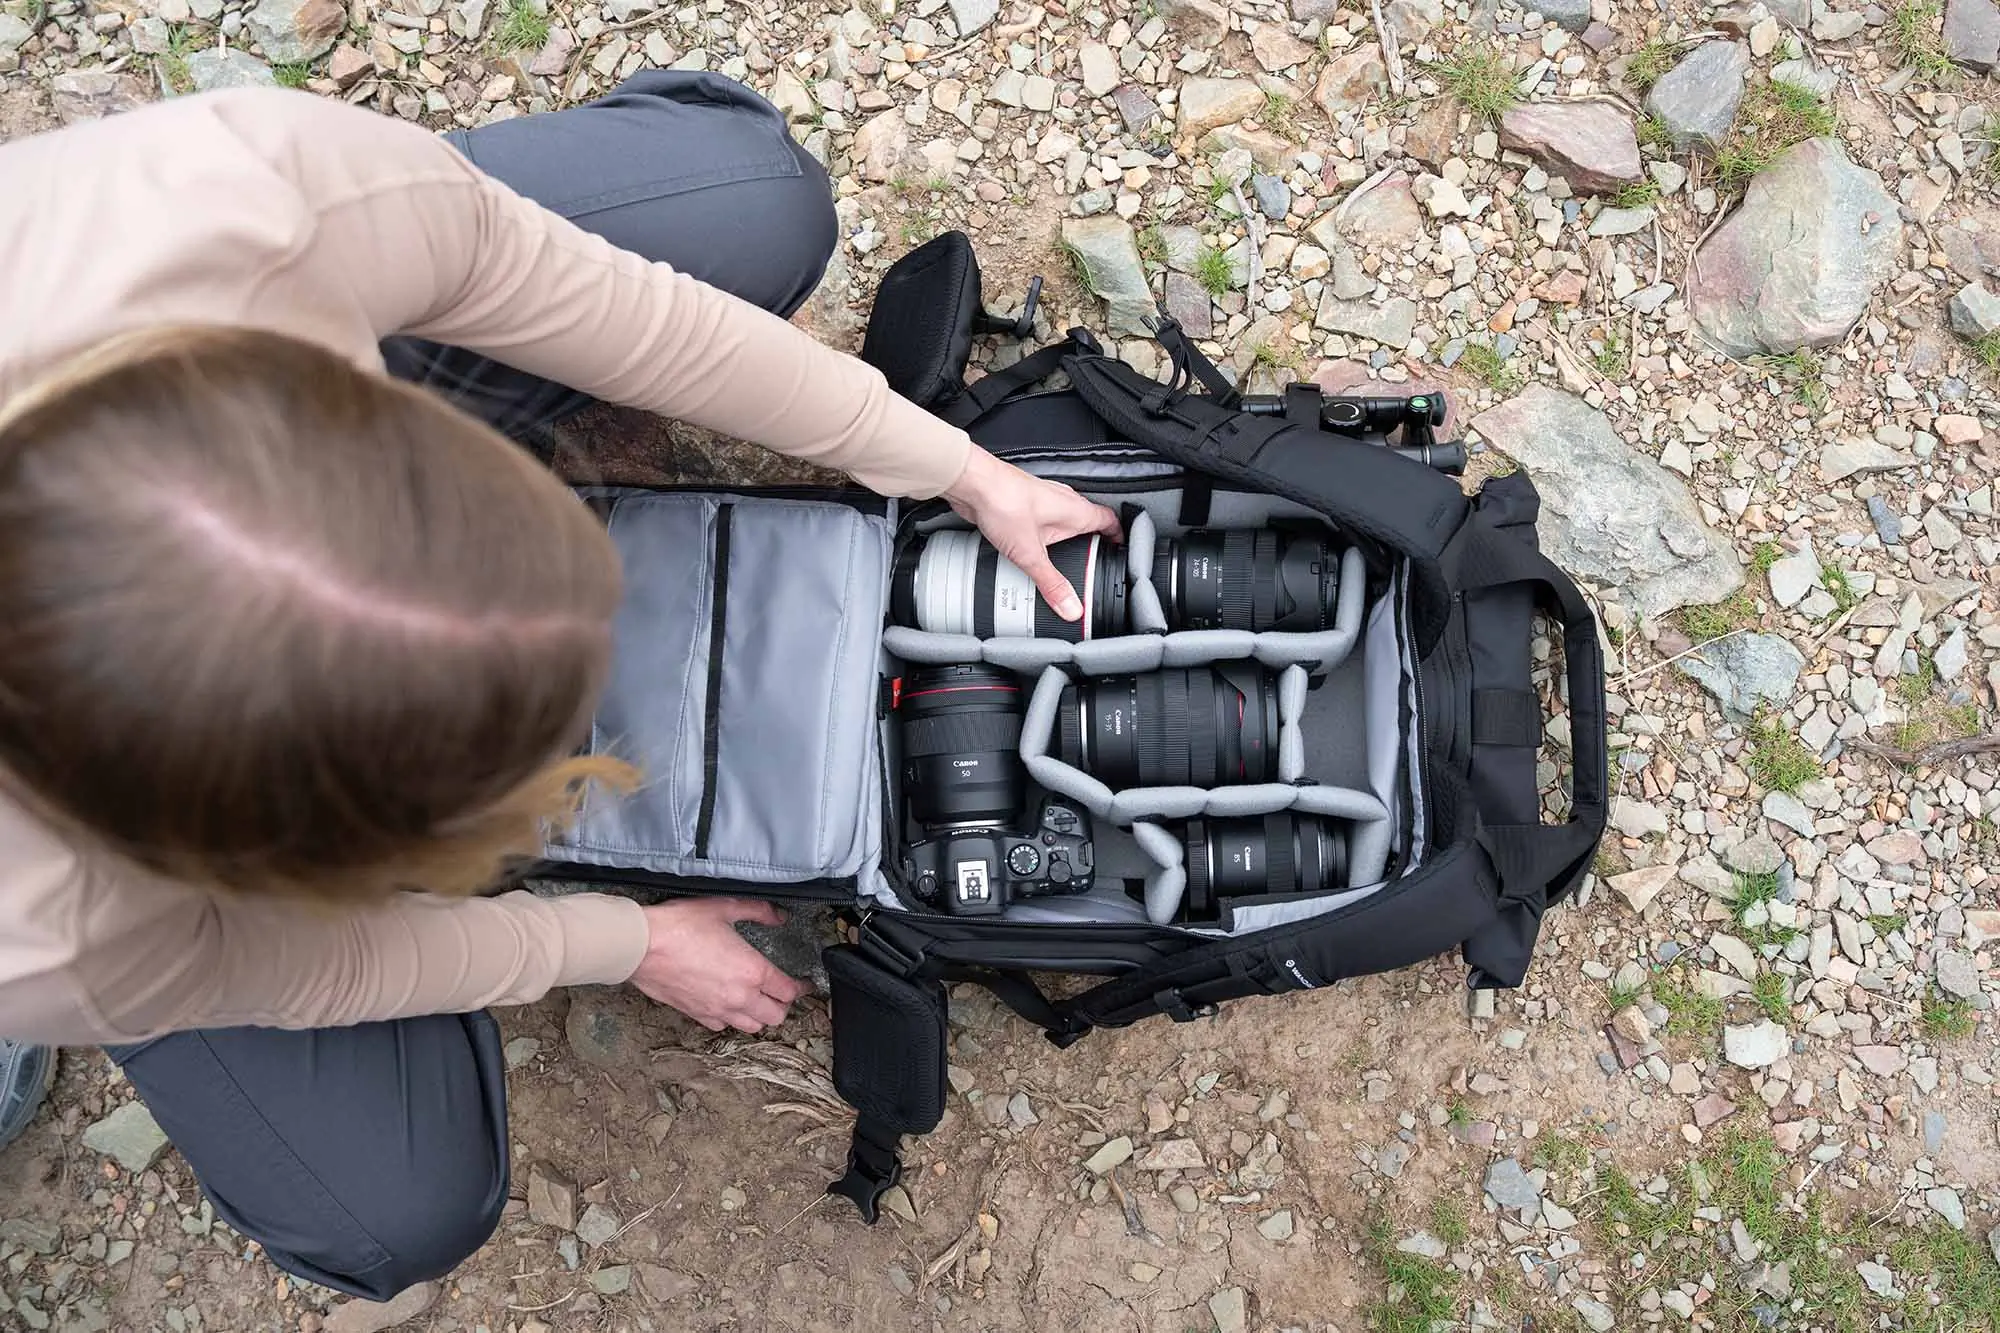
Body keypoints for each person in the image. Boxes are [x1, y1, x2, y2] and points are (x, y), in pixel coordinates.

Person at [0, 75, 1118, 1298]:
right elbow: (317, 967)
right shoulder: (54, 932)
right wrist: (617, 937)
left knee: (762, 201)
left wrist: (950, 466)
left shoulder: (236, 210)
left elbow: (625, 314)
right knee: (389, 1214)